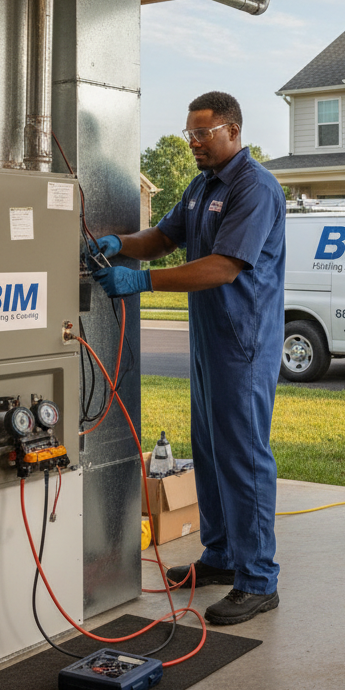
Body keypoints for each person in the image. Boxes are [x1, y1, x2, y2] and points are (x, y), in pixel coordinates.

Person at [90, 91, 286, 625]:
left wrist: (140, 281)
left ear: (233, 130)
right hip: (209, 341)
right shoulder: (201, 186)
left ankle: (258, 579)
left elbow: (223, 267)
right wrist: (119, 244)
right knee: (211, 450)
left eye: (203, 133)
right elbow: (162, 236)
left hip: (243, 343)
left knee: (244, 458)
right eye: (189, 134)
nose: (194, 142)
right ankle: (222, 556)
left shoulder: (255, 188)